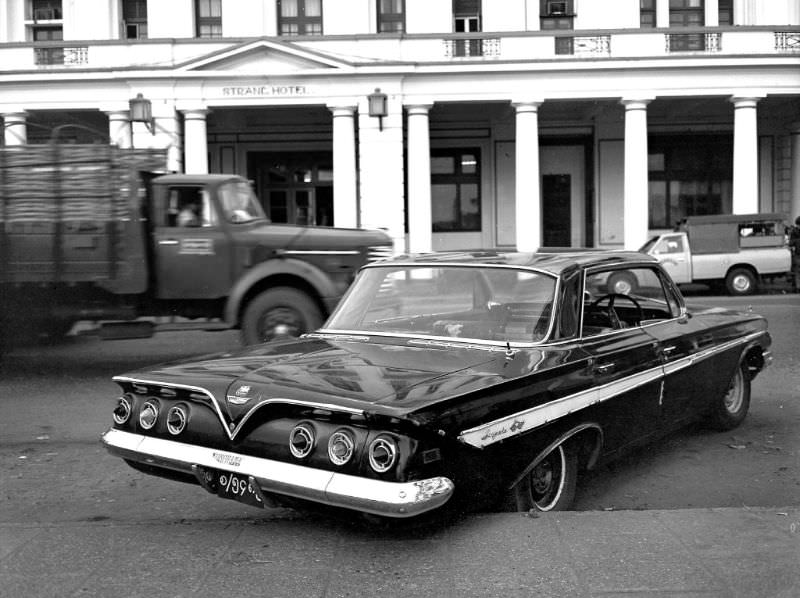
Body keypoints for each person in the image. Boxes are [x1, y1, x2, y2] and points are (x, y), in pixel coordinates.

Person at [790, 215, 800, 293]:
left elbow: (791, 242)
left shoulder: (793, 232)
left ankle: (797, 287)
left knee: (797, 271)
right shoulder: (794, 232)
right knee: (797, 271)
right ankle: (798, 287)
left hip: (797, 253)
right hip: (797, 254)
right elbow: (791, 243)